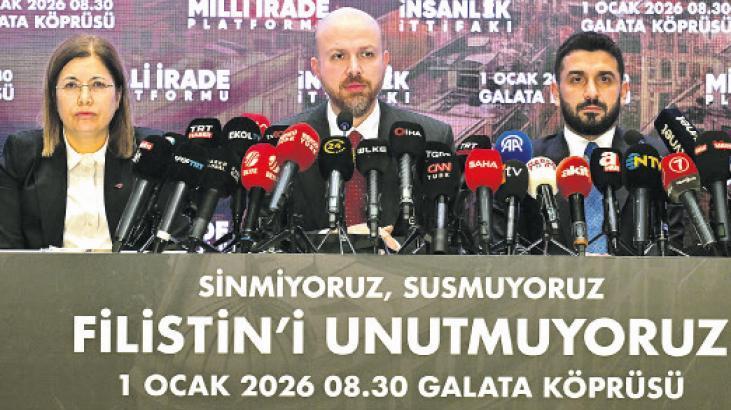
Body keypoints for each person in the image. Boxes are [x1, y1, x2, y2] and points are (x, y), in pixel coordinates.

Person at [276, 7, 454, 232]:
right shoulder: (282, 140)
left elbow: (449, 241)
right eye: (338, 56)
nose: (354, 69)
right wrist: (331, 242)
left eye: (367, 54)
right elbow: (264, 242)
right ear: (316, 68)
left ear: (385, 61)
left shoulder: (433, 139)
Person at [522, 31, 683, 255]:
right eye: (577, 79)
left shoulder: (659, 158)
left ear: (623, 92)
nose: (591, 93)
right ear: (555, 93)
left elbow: (677, 256)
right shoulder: (528, 162)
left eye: (604, 79)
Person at [0, 34, 158, 250]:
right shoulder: (21, 154)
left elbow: (173, 255)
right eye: (71, 85)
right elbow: (8, 255)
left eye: (98, 84)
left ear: (118, 95)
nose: (85, 98)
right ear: (54, 96)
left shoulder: (151, 154)